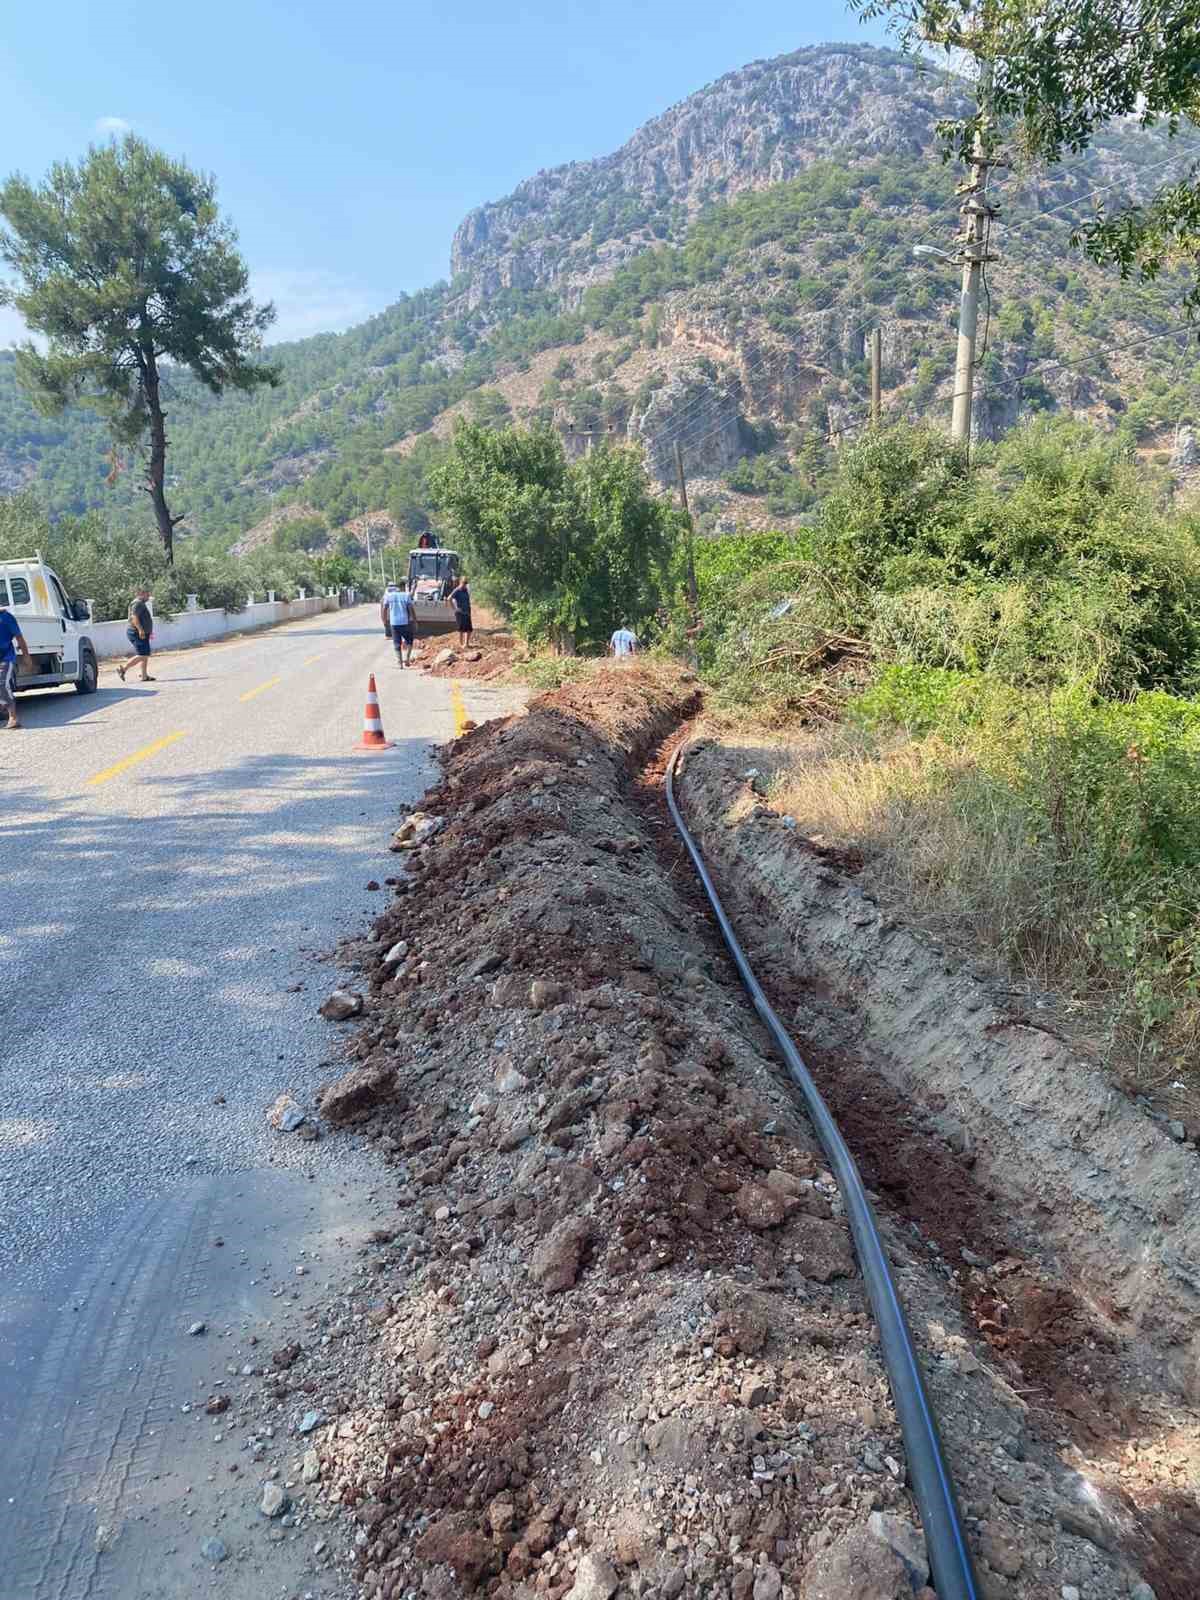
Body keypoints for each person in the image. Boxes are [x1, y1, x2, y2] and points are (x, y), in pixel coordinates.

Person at [0, 595, 33, 730]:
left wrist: (26, 656)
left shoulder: (6, 617)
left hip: (5, 658)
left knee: (1, 683)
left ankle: (13, 717)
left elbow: (19, 637)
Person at [117, 587, 155, 682]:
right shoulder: (137, 603)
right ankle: (123, 669)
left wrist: (147, 631)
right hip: (136, 632)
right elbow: (134, 617)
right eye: (147, 594)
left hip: (142, 632)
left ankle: (144, 675)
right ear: (141, 594)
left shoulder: (140, 603)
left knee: (144, 654)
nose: (149, 596)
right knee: (143, 654)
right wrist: (140, 630)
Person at [385, 582, 417, 667]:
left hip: (394, 623)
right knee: (409, 640)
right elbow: (411, 609)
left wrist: (384, 620)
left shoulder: (390, 596)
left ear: (397, 587)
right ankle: (407, 659)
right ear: (404, 587)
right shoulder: (406, 596)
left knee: (396, 642)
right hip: (404, 622)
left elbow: (384, 608)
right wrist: (414, 621)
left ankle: (400, 663)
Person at [448, 574, 473, 648]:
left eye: (466, 583)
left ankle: (466, 644)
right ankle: (461, 644)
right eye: (464, 583)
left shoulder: (466, 590)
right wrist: (454, 608)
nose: (465, 584)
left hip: (467, 612)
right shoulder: (457, 590)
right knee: (461, 629)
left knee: (469, 629)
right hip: (460, 612)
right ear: (460, 582)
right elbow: (449, 598)